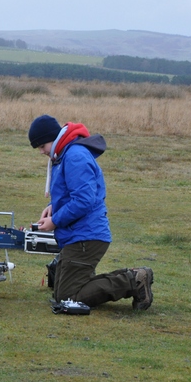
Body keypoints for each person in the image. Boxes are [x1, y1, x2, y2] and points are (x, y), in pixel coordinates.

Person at [28, 114, 154, 313]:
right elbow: (73, 191)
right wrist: (54, 206)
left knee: (67, 298)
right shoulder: (65, 154)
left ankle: (133, 280)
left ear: (53, 138)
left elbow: (84, 200)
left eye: (42, 146)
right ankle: (119, 279)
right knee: (59, 292)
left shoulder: (74, 156)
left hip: (86, 236)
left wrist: (55, 220)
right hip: (79, 234)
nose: (41, 151)